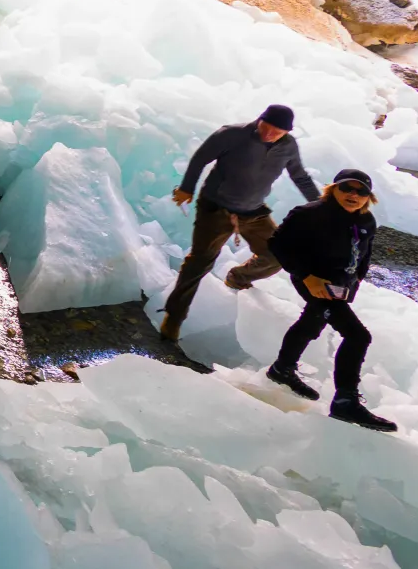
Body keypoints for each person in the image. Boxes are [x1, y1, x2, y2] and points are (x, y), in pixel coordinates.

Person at [160, 104, 318, 341]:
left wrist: (321, 206)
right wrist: (186, 188)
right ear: (259, 120)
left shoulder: (288, 147)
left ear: (287, 132)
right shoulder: (232, 134)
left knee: (278, 255)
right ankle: (173, 317)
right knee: (200, 262)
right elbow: (199, 159)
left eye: (277, 131)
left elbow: (300, 177)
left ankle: (238, 277)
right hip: (216, 208)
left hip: (253, 211)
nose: (269, 134)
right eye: (266, 127)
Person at [266, 168, 395, 432]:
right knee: (358, 336)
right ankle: (345, 401)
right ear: (332, 189)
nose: (353, 195)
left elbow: (364, 254)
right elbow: (278, 244)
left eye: (361, 191)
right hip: (312, 281)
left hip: (339, 286)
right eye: (346, 188)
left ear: (368, 198)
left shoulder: (366, 220)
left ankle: (282, 369)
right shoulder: (308, 214)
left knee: (312, 321)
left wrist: (355, 282)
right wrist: (306, 276)